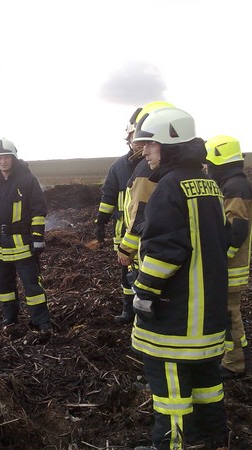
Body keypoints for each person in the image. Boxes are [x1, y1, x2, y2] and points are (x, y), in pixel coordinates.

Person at [130, 108, 230, 450]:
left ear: (169, 146)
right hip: (207, 314)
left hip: (176, 318)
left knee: (170, 388)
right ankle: (213, 437)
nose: (145, 151)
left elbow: (164, 251)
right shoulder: (208, 184)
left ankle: (171, 444)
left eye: (151, 145)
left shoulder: (169, 187)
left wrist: (143, 291)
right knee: (206, 381)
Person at [95, 101, 172, 325]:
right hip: (125, 229)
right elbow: (108, 196)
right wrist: (101, 221)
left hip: (140, 233)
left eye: (143, 140)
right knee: (127, 272)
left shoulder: (150, 169)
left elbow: (143, 210)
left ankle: (142, 313)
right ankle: (129, 310)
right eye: (134, 139)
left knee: (143, 272)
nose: (139, 145)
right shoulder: (120, 166)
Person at [0, 138, 51, 332]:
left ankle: (41, 321)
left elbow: (38, 211)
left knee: (32, 286)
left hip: (23, 244)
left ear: (13, 158)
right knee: (3, 287)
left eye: (6, 157)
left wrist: (37, 237)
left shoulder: (28, 180)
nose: (3, 161)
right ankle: (9, 318)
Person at [205, 135, 252, 379]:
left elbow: (236, 231)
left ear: (219, 160)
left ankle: (235, 364)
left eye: (209, 163)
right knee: (230, 315)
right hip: (231, 266)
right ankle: (238, 357)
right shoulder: (235, 183)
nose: (207, 168)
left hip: (229, 268)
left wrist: (220, 260)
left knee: (229, 317)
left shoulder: (234, 187)